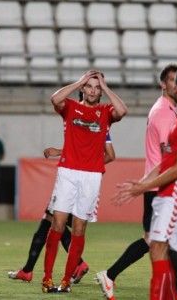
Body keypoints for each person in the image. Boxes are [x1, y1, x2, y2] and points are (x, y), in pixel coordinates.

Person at [96, 64, 177, 300]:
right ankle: (175, 291)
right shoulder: (165, 113)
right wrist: (146, 185)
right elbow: (172, 160)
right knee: (159, 241)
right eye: (172, 80)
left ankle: (174, 290)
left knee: (162, 241)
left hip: (160, 182)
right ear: (163, 84)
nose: (176, 85)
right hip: (160, 185)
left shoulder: (172, 110)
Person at [42, 70, 127, 293]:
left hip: (91, 177)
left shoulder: (105, 112)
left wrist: (106, 87)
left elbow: (123, 110)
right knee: (58, 224)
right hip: (68, 173)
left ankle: (66, 281)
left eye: (96, 88)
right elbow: (54, 99)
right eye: (89, 86)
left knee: (79, 229)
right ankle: (47, 278)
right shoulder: (70, 107)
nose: (93, 90)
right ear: (82, 88)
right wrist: (79, 80)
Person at [7, 133, 115, 283]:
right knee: (52, 223)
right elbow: (104, 154)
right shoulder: (101, 123)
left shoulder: (88, 121)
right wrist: (89, 166)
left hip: (71, 182)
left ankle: (72, 266)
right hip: (83, 182)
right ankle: (30, 270)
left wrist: (63, 154)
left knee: (54, 223)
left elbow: (102, 154)